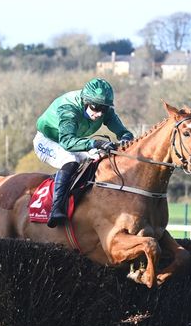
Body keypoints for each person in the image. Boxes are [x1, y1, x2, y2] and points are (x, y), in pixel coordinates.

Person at [34, 78, 134, 228]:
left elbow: (124, 132)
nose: (99, 113)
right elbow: (67, 142)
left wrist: (126, 139)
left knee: (100, 156)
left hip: (73, 141)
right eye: (96, 107)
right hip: (47, 140)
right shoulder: (69, 109)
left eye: (104, 109)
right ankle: (56, 209)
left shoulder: (104, 110)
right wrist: (95, 143)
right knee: (70, 161)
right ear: (86, 101)